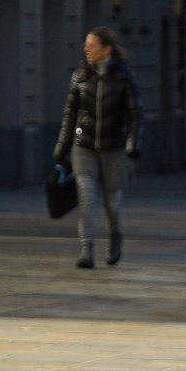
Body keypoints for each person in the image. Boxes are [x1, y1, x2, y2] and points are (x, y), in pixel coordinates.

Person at [53, 26, 141, 267]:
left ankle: (115, 236)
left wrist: (133, 142)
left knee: (112, 203)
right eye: (86, 45)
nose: (86, 49)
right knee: (86, 198)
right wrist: (62, 146)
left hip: (114, 147)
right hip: (84, 145)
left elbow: (135, 114)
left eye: (91, 45)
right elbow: (69, 114)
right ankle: (86, 249)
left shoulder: (124, 77)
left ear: (106, 49)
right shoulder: (80, 75)